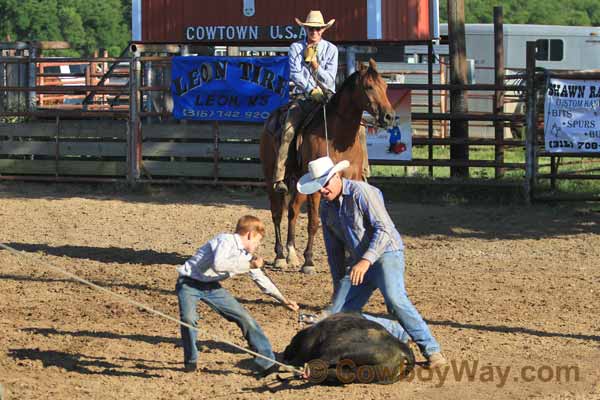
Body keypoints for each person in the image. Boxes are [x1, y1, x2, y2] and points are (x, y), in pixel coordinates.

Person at [296, 157, 447, 369]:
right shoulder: (327, 209)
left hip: (386, 253)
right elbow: (334, 252)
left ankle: (431, 350)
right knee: (340, 315)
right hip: (359, 263)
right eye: (318, 187)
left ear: (336, 176)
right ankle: (397, 331)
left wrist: (366, 260)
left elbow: (384, 229)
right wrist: (339, 285)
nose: (322, 190)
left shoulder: (361, 192)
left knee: (395, 301)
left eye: (325, 184)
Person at [175, 215, 299, 375]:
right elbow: (219, 264)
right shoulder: (225, 240)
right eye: (258, 240)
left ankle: (267, 362)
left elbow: (260, 279)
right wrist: (248, 265)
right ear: (250, 234)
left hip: (211, 287)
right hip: (188, 283)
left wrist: (283, 299)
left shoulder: (245, 256)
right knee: (188, 319)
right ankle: (191, 360)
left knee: (245, 318)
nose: (257, 245)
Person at [272, 10, 338, 194]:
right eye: (310, 29)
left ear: (323, 30)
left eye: (317, 29)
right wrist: (311, 90)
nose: (314, 32)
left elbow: (330, 80)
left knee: (359, 127)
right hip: (303, 98)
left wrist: (315, 64)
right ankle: (280, 177)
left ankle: (362, 172)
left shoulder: (331, 50)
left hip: (328, 98)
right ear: (306, 29)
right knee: (288, 130)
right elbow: (295, 74)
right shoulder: (295, 48)